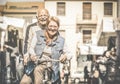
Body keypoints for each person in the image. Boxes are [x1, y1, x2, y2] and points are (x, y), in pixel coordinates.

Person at [20, 16, 72, 84]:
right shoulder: (37, 34)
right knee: (24, 82)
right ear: (47, 26)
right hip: (34, 64)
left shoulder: (62, 40)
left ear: (58, 27)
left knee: (38, 70)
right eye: (50, 26)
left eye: (55, 26)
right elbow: (31, 48)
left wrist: (65, 56)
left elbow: (70, 54)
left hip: (52, 67)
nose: (52, 28)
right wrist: (32, 55)